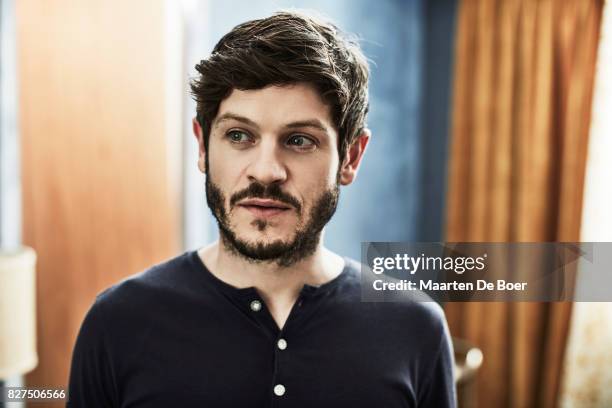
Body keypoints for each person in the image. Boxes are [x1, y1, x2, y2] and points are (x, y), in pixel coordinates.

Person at [67, 11, 456, 407]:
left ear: (350, 157)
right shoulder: (117, 323)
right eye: (239, 136)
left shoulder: (416, 329)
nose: (266, 171)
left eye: (300, 140)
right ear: (202, 146)